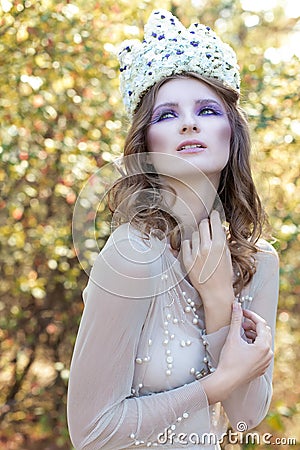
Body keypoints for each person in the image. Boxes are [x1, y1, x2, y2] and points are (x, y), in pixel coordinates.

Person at [67, 9, 279, 450]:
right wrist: (213, 388)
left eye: (206, 110)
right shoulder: (133, 254)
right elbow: (90, 432)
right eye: (166, 115)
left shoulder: (259, 262)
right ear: (147, 143)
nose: (189, 123)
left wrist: (219, 300)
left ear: (232, 134)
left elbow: (246, 418)